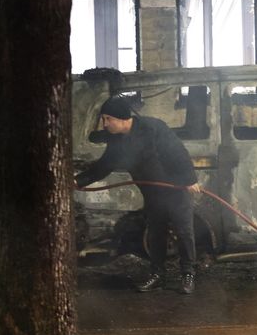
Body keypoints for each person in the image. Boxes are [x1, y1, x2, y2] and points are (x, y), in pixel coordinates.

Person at [75, 96, 201, 294]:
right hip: (152, 193)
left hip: (176, 189)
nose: (105, 124)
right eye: (104, 119)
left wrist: (189, 179)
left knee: (184, 232)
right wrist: (78, 181)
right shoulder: (117, 141)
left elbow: (178, 152)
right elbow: (104, 165)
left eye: (108, 119)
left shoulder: (153, 128)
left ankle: (188, 274)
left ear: (123, 118)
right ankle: (157, 274)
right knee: (155, 233)